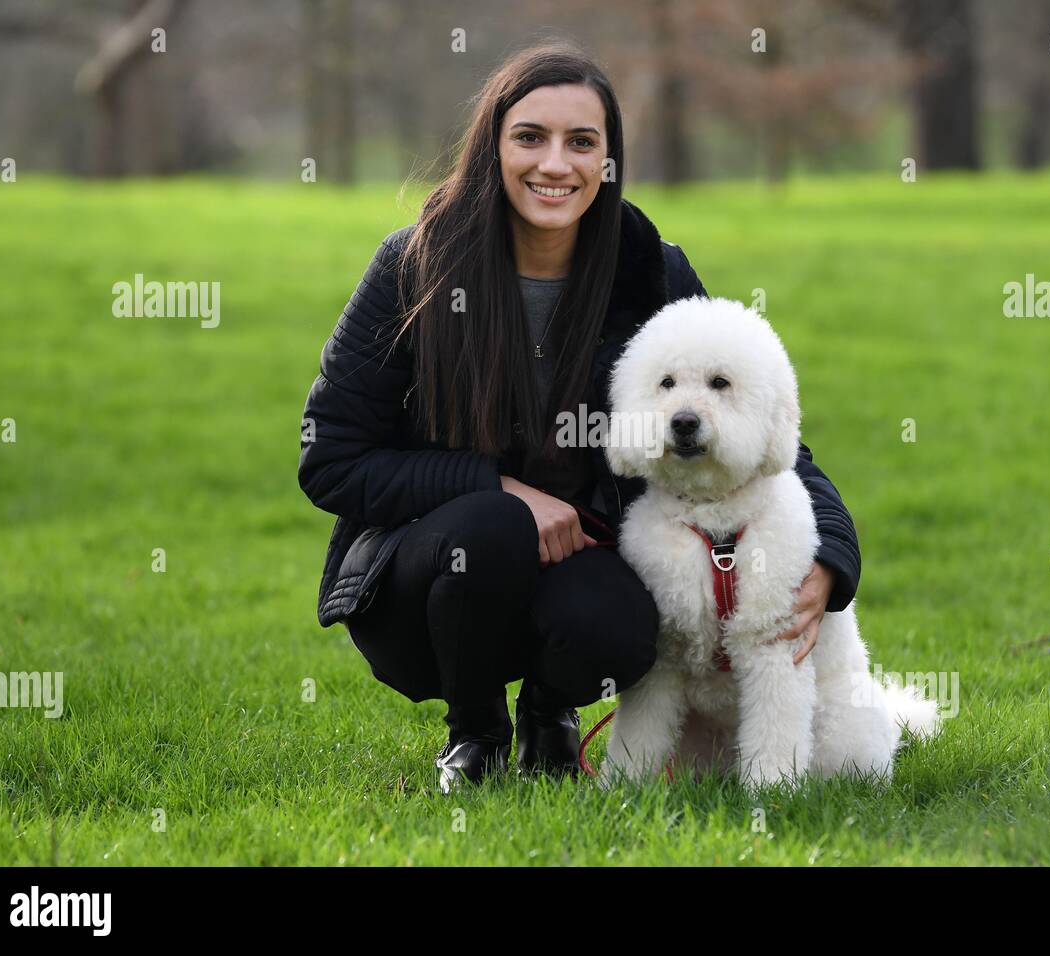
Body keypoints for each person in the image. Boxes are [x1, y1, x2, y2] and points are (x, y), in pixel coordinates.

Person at [297, 42, 860, 794]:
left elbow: (758, 419)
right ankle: (476, 735)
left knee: (623, 622)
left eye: (581, 142)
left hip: (581, 566)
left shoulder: (648, 268)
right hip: (423, 579)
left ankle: (550, 717)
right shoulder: (416, 266)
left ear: (609, 159)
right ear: (493, 145)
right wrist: (498, 489)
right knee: (490, 530)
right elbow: (330, 458)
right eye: (530, 137)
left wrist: (834, 558)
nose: (554, 164)